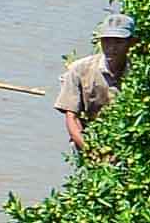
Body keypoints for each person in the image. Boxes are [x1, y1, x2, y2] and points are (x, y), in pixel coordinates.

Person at [53, 12, 134, 155]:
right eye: (107, 41)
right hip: (89, 140)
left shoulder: (140, 73)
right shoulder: (80, 69)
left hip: (126, 143)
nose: (111, 47)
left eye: (118, 42)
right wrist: (91, 152)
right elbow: (71, 117)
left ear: (132, 42)